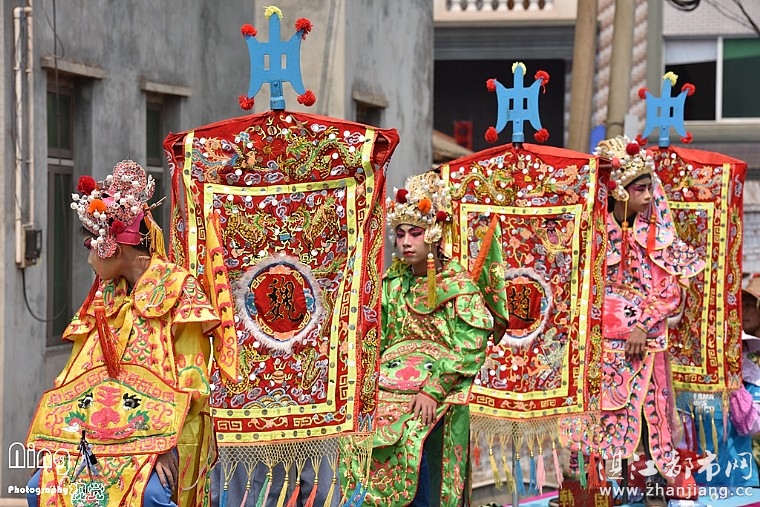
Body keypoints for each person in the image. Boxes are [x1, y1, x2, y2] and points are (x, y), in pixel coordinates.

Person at [26, 160, 219, 507]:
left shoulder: (178, 289)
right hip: (95, 439)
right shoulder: (104, 296)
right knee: (39, 489)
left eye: (91, 246)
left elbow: (193, 378)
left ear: (114, 246)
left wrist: (162, 443)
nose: (90, 261)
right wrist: (58, 440)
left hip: (160, 439)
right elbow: (74, 375)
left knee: (152, 495)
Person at [343, 171, 492, 507]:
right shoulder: (392, 282)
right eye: (400, 234)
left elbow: (470, 346)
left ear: (434, 236)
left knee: (412, 438)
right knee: (358, 436)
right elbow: (374, 337)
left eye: (415, 233)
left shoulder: (458, 286)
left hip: (438, 390)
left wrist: (432, 389)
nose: (406, 243)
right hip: (387, 389)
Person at [593, 137, 705, 507]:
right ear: (618, 191)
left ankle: (656, 488)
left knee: (652, 417)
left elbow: (671, 289)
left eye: (648, 188)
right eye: (639, 189)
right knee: (609, 417)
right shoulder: (596, 234)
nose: (647, 195)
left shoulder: (656, 233)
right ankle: (611, 490)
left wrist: (643, 324)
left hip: (648, 345)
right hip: (605, 347)